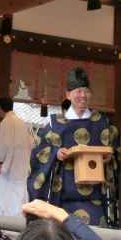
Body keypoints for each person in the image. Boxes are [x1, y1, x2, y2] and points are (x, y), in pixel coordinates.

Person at [27, 67, 120, 226]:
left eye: (86, 91)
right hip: (63, 198)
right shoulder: (54, 124)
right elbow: (37, 154)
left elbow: (117, 150)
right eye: (78, 91)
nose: (83, 95)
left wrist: (110, 157)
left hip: (96, 200)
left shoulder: (103, 123)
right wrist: (55, 154)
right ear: (68, 95)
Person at [0, 97, 33, 216]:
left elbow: (3, 146)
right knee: (19, 198)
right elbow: (31, 143)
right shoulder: (22, 123)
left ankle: (6, 230)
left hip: (9, 169)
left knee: (5, 198)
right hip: (21, 167)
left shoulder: (6, 122)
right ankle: (18, 228)